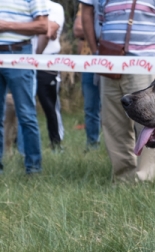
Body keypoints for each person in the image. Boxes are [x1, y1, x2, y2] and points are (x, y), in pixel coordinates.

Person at [80, 0, 155, 183]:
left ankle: (148, 180)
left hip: (142, 67)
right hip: (110, 67)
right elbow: (101, 25)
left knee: (148, 122)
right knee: (113, 124)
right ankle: (124, 180)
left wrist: (148, 59)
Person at [0, 0, 48, 175]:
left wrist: (6, 25)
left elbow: (43, 26)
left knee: (26, 115)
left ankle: (33, 169)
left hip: (18, 54)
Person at [32, 0, 65, 153]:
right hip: (21, 60)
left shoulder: (55, 8)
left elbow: (49, 31)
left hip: (47, 62)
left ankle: (56, 143)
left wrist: (37, 56)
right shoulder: (25, 5)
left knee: (50, 106)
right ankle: (18, 144)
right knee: (24, 106)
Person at [73, 4, 101, 151]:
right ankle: (92, 144)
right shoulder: (85, 4)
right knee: (90, 107)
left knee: (115, 106)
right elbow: (77, 29)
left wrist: (90, 26)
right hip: (88, 61)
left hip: (113, 60)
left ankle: (114, 146)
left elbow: (81, 28)